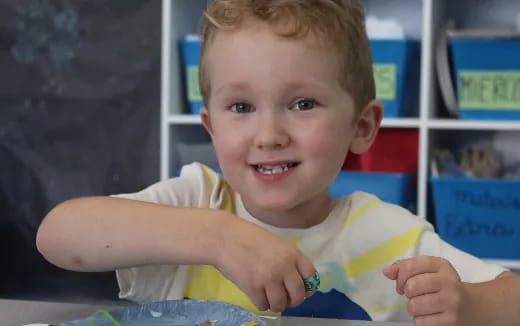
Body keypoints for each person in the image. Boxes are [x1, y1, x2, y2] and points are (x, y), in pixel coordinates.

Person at [36, 0, 520, 324]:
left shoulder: (383, 235)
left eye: (303, 104)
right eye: (241, 108)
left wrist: (469, 303)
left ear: (362, 127)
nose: (269, 136)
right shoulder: (201, 203)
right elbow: (58, 234)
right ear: (211, 127)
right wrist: (218, 237)